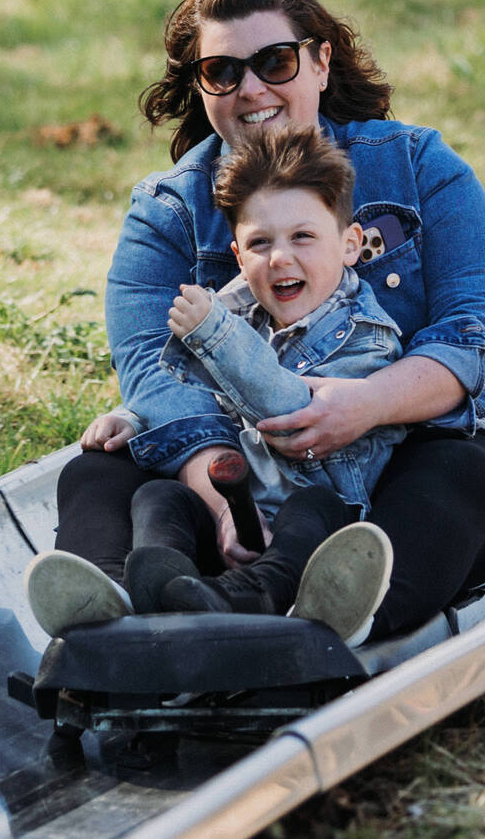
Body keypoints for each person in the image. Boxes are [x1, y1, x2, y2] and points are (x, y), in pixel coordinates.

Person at [26, 0, 485, 646]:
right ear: (201, 87)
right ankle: (109, 620)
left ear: (319, 62)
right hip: (243, 467)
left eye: (274, 62)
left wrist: (366, 405)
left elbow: (478, 320)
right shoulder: (166, 211)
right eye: (222, 72)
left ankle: (333, 620)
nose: (250, 89)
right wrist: (217, 487)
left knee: (461, 471)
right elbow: (150, 366)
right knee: (99, 470)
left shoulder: (418, 165)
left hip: (403, 451)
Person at [30, 123, 406, 635]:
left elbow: (290, 411)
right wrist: (131, 420)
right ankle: (134, 600)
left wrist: (216, 335)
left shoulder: (367, 334)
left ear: (349, 244)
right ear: (238, 255)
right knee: (157, 498)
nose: (280, 257)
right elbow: (192, 393)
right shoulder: (238, 312)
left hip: (311, 532)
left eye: (303, 237)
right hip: (231, 514)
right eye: (259, 243)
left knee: (315, 509)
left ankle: (254, 601)